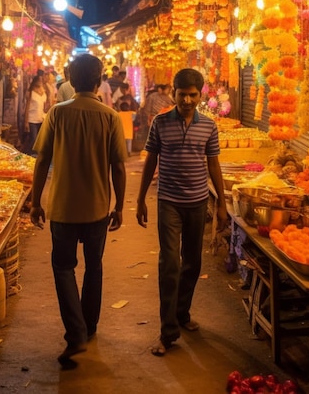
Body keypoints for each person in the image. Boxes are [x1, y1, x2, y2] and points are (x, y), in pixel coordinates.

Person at [30, 53, 128, 368]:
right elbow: (119, 167)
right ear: (99, 80)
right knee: (94, 267)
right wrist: (120, 206)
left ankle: (76, 333)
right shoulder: (110, 116)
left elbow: (42, 160)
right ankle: (90, 326)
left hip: (63, 208)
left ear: (71, 80)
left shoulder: (57, 114)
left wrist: (35, 201)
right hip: (98, 207)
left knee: (63, 268)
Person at [135, 68, 228, 357]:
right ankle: (168, 331)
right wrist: (140, 200)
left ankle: (183, 313)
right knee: (169, 265)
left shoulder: (209, 126)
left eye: (193, 95)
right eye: (182, 94)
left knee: (193, 263)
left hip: (198, 202)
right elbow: (151, 161)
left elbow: (213, 164)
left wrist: (222, 203)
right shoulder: (160, 123)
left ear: (200, 96)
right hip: (169, 202)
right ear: (173, 93)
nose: (187, 100)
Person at [23, 74, 47, 154]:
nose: (40, 82)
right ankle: (29, 154)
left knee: (39, 140)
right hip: (32, 120)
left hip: (41, 119)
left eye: (41, 80)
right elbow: (27, 108)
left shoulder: (43, 92)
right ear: (35, 81)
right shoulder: (31, 92)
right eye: (39, 80)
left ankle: (34, 157)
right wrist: (26, 122)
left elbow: (44, 107)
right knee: (33, 139)